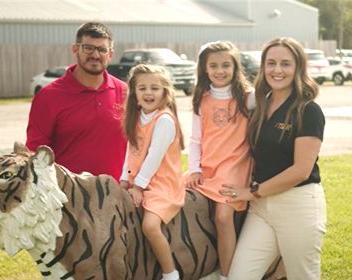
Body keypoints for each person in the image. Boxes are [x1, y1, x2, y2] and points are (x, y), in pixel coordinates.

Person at [220, 37, 326, 279]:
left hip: (297, 205)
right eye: (271, 63)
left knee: (303, 275)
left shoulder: (308, 110)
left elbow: (300, 170)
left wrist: (252, 192)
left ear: (298, 68)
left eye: (286, 64)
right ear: (263, 66)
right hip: (262, 209)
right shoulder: (258, 104)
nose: (277, 70)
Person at [186, 41, 255, 280]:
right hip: (208, 166)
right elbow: (195, 140)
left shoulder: (248, 98)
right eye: (213, 65)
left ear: (236, 67)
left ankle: (227, 275)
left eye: (226, 65)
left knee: (223, 216)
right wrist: (194, 168)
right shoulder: (201, 100)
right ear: (204, 69)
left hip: (235, 166)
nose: (220, 70)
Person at [26, 22, 127, 181]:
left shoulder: (125, 92)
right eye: (88, 48)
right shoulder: (48, 97)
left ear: (110, 54)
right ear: (75, 49)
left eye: (102, 49)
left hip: (117, 196)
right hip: (70, 199)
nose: (95, 55)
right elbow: (36, 153)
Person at [120, 64, 185, 280]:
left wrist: (138, 186)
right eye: (142, 88)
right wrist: (123, 181)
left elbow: (154, 158)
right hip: (139, 179)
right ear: (134, 93)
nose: (148, 93)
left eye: (155, 88)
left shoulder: (164, 120)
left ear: (165, 92)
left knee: (149, 226)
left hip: (162, 183)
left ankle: (170, 272)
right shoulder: (136, 117)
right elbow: (131, 153)